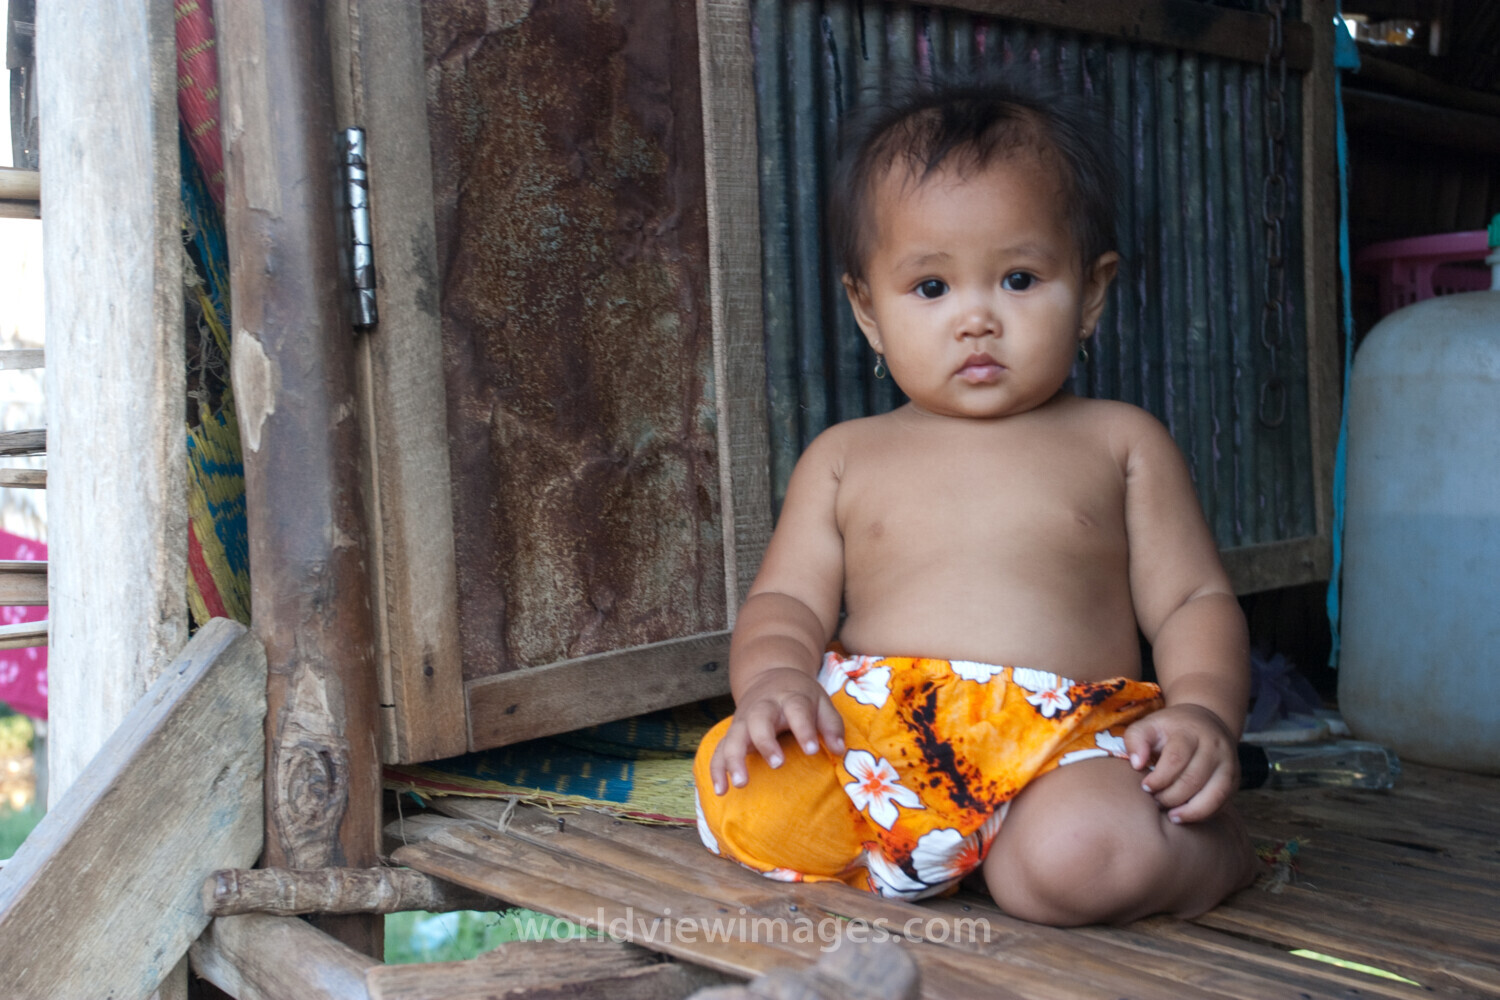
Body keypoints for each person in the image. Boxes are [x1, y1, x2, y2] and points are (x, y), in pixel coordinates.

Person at [690, 75, 1258, 926]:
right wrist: (773, 682)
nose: (977, 319)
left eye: (1020, 278)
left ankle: (1214, 852)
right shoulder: (845, 457)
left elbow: (1190, 599)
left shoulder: (1119, 441)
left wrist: (1204, 712)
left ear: (1091, 292)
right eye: (931, 288)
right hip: (885, 748)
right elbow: (786, 600)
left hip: (1063, 748)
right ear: (868, 311)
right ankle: (943, 857)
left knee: (1069, 867)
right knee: (743, 794)